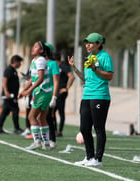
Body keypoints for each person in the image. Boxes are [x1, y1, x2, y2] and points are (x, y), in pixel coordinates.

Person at [69, 32, 114, 167]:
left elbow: (109, 76)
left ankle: (98, 159)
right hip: (87, 96)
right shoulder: (89, 57)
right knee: (84, 128)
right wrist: (74, 68)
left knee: (99, 128)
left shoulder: (105, 57)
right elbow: (85, 78)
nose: (87, 45)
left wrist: (95, 69)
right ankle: (89, 157)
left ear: (98, 44)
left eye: (90, 43)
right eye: (86, 43)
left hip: (100, 96)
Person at [18, 41, 52, 150]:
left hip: (42, 91)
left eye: (36, 46)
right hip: (41, 92)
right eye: (33, 46)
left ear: (41, 50)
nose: (33, 48)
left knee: (31, 116)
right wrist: (24, 90)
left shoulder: (40, 60)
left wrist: (29, 91)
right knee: (41, 117)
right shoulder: (34, 60)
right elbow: (32, 79)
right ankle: (46, 144)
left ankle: (37, 142)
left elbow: (40, 78)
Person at [0, 55, 24, 134]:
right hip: (9, 95)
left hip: (12, 95)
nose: (20, 64)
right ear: (15, 62)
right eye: (19, 62)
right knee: (15, 110)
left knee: (5, 111)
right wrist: (6, 91)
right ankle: (16, 128)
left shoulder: (14, 70)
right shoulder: (9, 70)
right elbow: (4, 80)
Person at [54, 52, 75, 137]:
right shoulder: (56, 67)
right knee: (52, 112)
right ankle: (54, 130)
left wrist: (66, 88)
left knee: (60, 111)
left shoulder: (63, 66)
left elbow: (72, 77)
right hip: (56, 92)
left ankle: (60, 130)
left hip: (61, 92)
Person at [44, 43, 60, 149]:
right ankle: (41, 139)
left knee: (48, 117)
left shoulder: (53, 64)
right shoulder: (36, 63)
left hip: (49, 94)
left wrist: (54, 97)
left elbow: (56, 81)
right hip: (38, 94)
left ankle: (52, 140)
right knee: (37, 117)